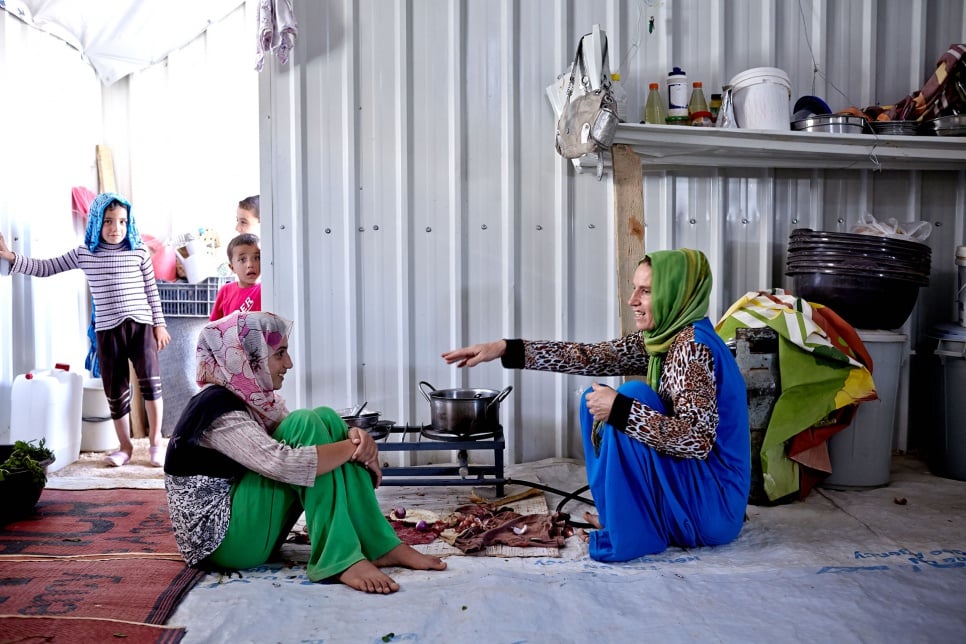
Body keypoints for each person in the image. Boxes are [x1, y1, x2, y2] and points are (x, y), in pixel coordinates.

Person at [442, 248, 750, 562]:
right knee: (594, 405)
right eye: (634, 288)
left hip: (714, 506)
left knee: (630, 396)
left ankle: (633, 534)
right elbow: (591, 356)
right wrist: (505, 348)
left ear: (675, 295)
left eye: (645, 291)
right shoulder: (665, 339)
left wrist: (621, 409)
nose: (633, 300)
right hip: (696, 492)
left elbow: (695, 440)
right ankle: (623, 517)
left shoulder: (694, 348)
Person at [163, 311, 446, 593]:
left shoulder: (251, 399)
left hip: (246, 533)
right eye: (280, 354)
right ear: (248, 360)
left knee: (326, 418)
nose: (289, 363)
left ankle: (380, 544)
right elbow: (283, 463)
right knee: (305, 423)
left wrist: (352, 436)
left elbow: (308, 438)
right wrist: (354, 448)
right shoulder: (217, 409)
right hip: (223, 545)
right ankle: (339, 559)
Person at [0, 192, 172, 468]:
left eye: (122, 222)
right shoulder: (85, 253)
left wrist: (159, 324)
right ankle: (125, 447)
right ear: (96, 222)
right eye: (108, 222)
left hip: (141, 327)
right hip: (107, 331)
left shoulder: (138, 250)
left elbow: (152, 291)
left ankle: (155, 443)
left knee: (151, 384)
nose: (116, 228)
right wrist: (12, 258)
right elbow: (47, 267)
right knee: (115, 391)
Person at [210, 233, 261, 321]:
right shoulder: (225, 291)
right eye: (242, 260)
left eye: (257, 258)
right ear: (232, 267)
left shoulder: (267, 290)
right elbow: (213, 326)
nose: (250, 264)